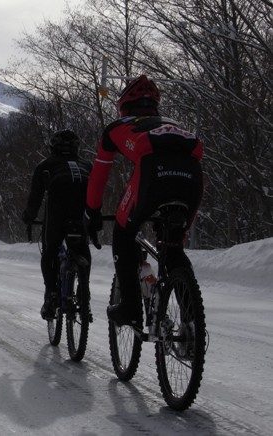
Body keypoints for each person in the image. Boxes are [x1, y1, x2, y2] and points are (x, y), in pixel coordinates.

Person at [84, 75, 204, 326]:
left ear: (123, 106)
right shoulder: (174, 125)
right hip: (191, 178)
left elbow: (98, 177)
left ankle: (129, 307)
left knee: (123, 234)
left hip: (153, 175)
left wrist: (93, 213)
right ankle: (191, 325)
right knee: (173, 247)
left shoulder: (117, 128)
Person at [22, 129, 92, 320]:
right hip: (81, 213)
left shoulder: (46, 165)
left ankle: (51, 294)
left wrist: (29, 216)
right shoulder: (87, 165)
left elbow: (35, 197)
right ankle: (84, 294)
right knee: (82, 248)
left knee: (50, 251)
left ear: (53, 147)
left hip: (57, 213)